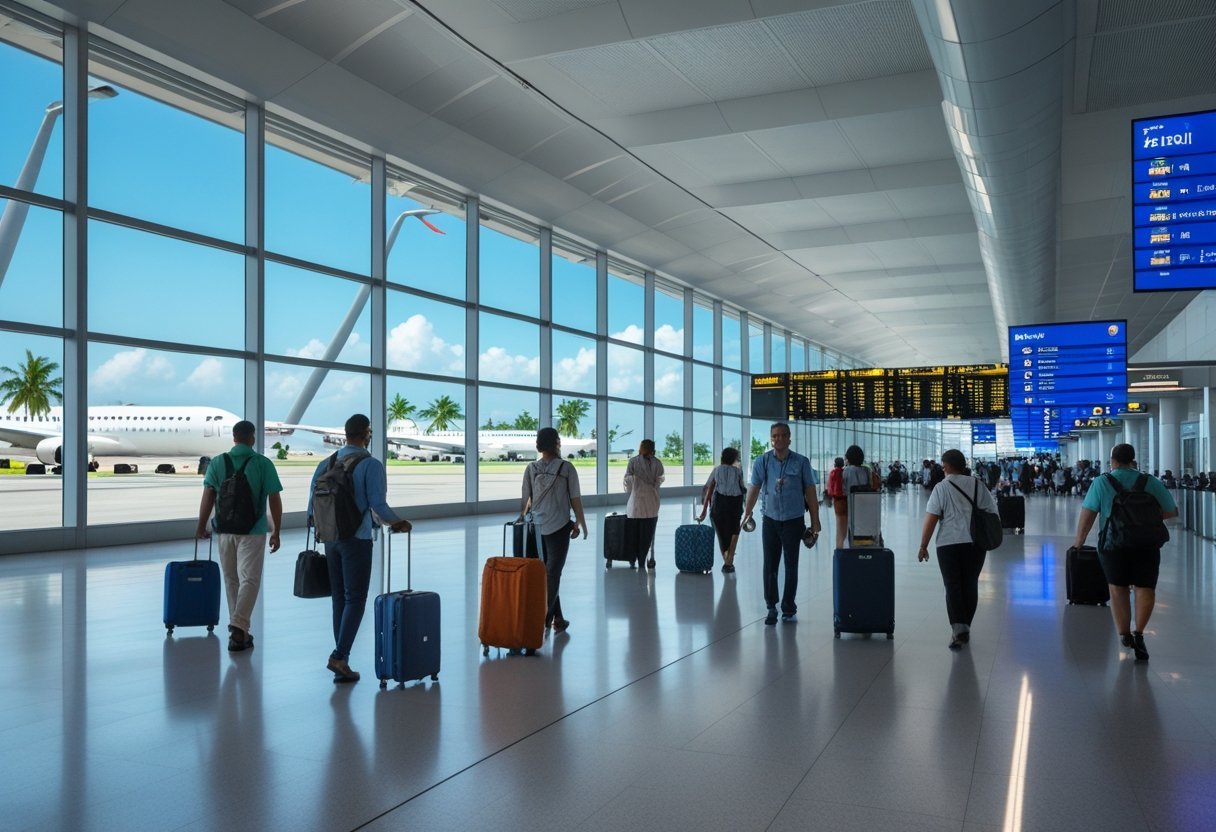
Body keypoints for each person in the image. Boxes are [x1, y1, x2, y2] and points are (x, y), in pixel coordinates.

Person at [308, 414, 412, 683]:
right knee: (355, 598)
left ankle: (342, 657)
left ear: (345, 434)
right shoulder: (371, 465)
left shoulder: (326, 463)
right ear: (367, 434)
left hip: (330, 539)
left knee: (339, 598)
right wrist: (398, 523)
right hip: (357, 538)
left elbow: (312, 507)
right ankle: (340, 655)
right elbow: (378, 504)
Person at [1072, 443, 1177, 661]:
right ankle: (1139, 634)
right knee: (1145, 587)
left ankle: (1124, 634)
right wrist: (1146, 520)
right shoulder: (1150, 481)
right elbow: (1170, 511)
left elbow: (1088, 515)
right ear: (1133, 460)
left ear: (1113, 460)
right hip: (1147, 544)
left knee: (1117, 588)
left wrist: (1079, 542)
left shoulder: (1101, 482)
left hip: (1113, 545)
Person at [195, 420, 284, 653]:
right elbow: (274, 497)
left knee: (231, 579)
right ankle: (238, 626)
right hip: (252, 531)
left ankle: (240, 632)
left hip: (224, 530)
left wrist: (201, 524)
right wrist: (277, 530)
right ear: (252, 437)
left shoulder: (217, 463)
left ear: (234, 437)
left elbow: (208, 496)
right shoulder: (262, 464)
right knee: (250, 579)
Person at [917, 448, 998, 650]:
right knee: (969, 584)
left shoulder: (941, 488)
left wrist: (923, 545)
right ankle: (965, 626)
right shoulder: (978, 485)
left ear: (946, 467)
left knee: (952, 586)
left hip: (948, 543)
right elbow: (992, 512)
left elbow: (932, 518)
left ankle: (958, 629)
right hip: (975, 543)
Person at [742, 422, 821, 625]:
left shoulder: (801, 462)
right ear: (771, 438)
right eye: (775, 436)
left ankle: (788, 606)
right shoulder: (763, 461)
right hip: (770, 520)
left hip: (794, 520)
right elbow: (754, 487)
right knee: (770, 564)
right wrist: (747, 512)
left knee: (791, 564)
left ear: (789, 438)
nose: (778, 439)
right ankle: (771, 606)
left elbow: (810, 492)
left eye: (782, 435)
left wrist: (815, 521)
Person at [520, 427, 589, 632]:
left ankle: (557, 618)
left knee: (548, 573)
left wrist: (523, 520)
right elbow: (575, 498)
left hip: (536, 528)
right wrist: (580, 522)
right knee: (553, 573)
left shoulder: (531, 468)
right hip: (558, 527)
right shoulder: (566, 468)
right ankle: (542, 619)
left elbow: (526, 500)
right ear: (557, 443)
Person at [697, 447, 746, 573]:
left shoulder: (717, 470)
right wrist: (747, 508)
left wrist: (704, 510)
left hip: (720, 504)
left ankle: (727, 558)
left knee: (721, 533)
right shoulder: (738, 471)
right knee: (734, 529)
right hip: (735, 503)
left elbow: (709, 488)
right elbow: (742, 488)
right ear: (734, 459)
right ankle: (729, 561)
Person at [623, 438, 664, 570]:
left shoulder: (633, 462)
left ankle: (632, 559)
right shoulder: (657, 463)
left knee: (633, 534)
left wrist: (635, 481)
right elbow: (659, 481)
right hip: (652, 504)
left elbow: (627, 482)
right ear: (653, 449)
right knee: (647, 535)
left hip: (635, 504)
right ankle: (642, 559)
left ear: (641, 448)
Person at [834, 445, 875, 550]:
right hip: (866, 506)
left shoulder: (847, 471)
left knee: (848, 535)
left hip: (850, 506)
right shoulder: (866, 470)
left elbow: (844, 489)